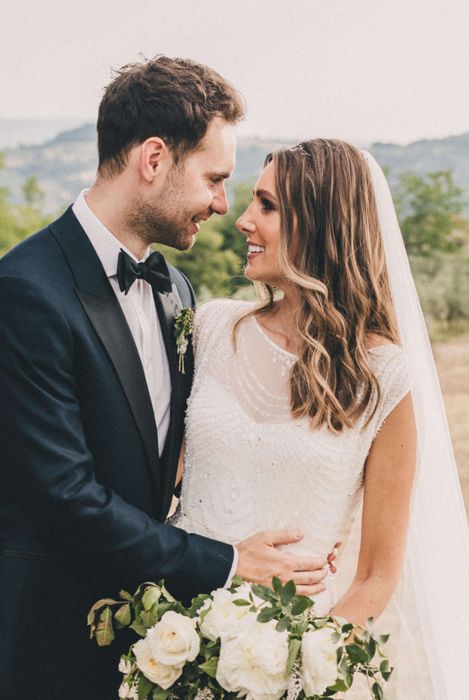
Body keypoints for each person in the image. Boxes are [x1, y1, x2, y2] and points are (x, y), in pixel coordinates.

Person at [0, 57, 330, 699]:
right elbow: (64, 495)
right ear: (153, 159)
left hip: (157, 640)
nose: (222, 204)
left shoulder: (175, 289)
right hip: (47, 642)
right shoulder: (25, 290)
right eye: (214, 178)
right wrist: (231, 563)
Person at [172, 139, 469, 698]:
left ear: (323, 225)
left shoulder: (384, 378)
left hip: (287, 661)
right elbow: (160, 484)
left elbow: (376, 574)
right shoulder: (210, 330)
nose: (244, 221)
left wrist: (299, 667)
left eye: (268, 206)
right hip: (171, 640)